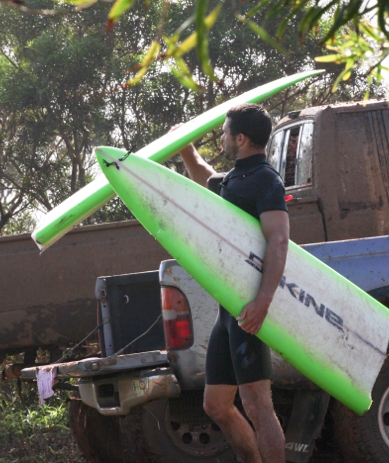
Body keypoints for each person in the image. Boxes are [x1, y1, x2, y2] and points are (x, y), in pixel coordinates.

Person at [172, 104, 287, 463]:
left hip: (249, 305)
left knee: (257, 403)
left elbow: (279, 240)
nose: (221, 138)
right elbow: (206, 177)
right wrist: (186, 150)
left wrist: (263, 301)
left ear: (240, 138)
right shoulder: (236, 178)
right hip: (228, 311)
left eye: (224, 133)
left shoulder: (266, 180)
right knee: (216, 405)